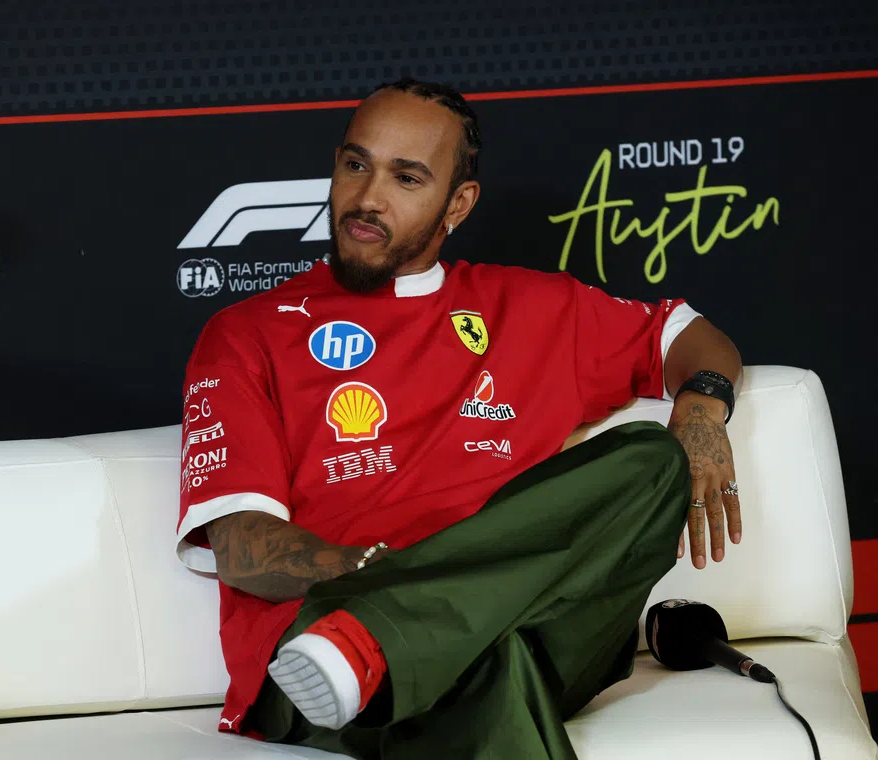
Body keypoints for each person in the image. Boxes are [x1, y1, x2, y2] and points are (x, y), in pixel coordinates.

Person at [175, 78, 744, 759]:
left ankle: (392, 638)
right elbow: (241, 546)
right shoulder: (248, 333)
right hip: (322, 650)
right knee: (491, 664)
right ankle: (387, 639)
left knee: (652, 461)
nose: (366, 198)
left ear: (459, 204)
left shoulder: (532, 309)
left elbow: (686, 336)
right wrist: (380, 577)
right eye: (356, 164)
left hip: (486, 630)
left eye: (406, 178)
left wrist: (703, 412)